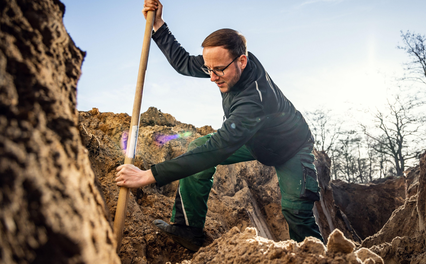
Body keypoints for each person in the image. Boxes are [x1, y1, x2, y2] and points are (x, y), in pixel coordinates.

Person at [115, 0, 324, 251]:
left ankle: (320, 257)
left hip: (291, 147)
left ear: (243, 61)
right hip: (254, 139)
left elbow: (218, 148)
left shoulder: (253, 100)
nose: (212, 77)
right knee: (197, 147)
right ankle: (188, 229)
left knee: (296, 212)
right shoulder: (228, 63)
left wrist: (147, 175)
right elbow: (183, 63)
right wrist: (159, 25)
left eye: (218, 71)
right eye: (208, 69)